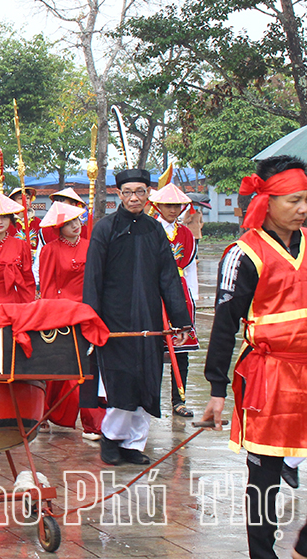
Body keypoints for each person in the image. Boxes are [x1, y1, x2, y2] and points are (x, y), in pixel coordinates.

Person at [200, 155, 307, 559]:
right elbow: (224, 325)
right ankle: (263, 555)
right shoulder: (243, 254)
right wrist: (216, 389)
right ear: (269, 200)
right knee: (265, 476)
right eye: (293, 200)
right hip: (270, 372)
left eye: (306, 199)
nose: (303, 208)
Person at [82, 168, 192, 466]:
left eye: (140, 192)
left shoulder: (154, 230)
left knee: (147, 381)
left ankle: (133, 444)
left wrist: (181, 320)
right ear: (119, 194)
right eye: (128, 192)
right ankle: (111, 437)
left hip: (148, 318)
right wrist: (91, 319)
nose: (134, 198)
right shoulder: (105, 229)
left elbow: (169, 277)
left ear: (148, 195)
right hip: (113, 319)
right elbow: (92, 277)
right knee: (121, 383)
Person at [37, 201, 103, 440]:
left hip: (89, 311)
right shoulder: (50, 250)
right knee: (60, 367)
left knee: (89, 368)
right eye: (68, 224)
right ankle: (46, 413)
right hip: (63, 313)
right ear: (58, 228)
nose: (75, 226)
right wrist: (53, 313)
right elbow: (47, 285)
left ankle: (92, 422)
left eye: (77, 220)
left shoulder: (92, 246)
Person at [149, 183, 200, 418]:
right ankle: (150, 399)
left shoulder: (186, 234)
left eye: (177, 205)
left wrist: (193, 298)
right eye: (168, 205)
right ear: (158, 206)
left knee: (181, 350)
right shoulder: (149, 230)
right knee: (153, 350)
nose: (173, 209)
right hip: (153, 292)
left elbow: (189, 269)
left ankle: (179, 400)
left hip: (179, 293)